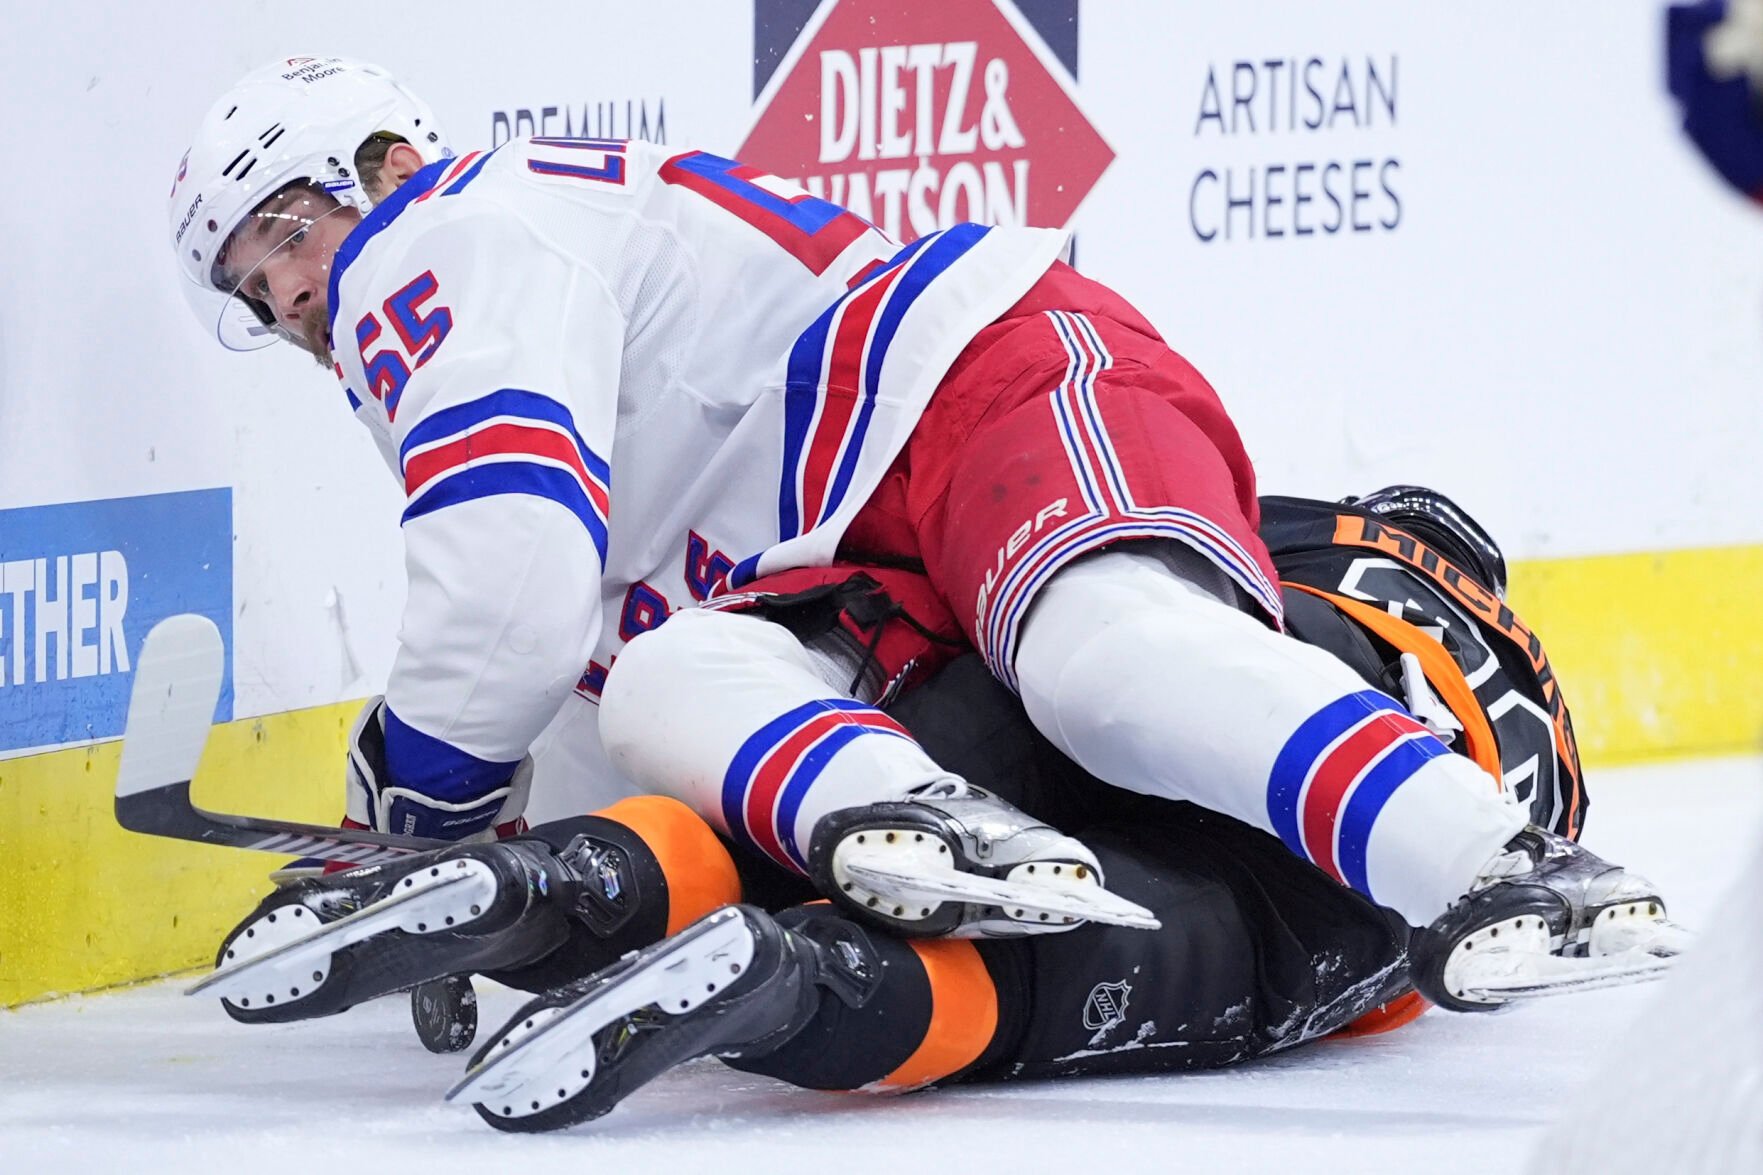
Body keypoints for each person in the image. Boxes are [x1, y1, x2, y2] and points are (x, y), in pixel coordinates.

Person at [168, 56, 1674, 1023]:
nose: (291, 295)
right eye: (253, 287)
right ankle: (926, 820)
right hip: (856, 544)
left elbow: (501, 602)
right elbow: (563, 661)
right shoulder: (471, 300)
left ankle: (1497, 861)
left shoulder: (432, 243)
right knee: (663, 681)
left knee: (1101, 662)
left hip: (976, 384)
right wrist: (481, 893)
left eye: (288, 230)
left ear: (376, 160)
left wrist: (421, 806)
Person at [202, 486, 1594, 1132]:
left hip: (1085, 684)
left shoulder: (1274, 519)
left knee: (859, 817)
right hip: (1332, 870)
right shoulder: (1521, 703)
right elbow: (1488, 944)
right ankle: (798, 984)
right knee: (1033, 985)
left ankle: (561, 885)